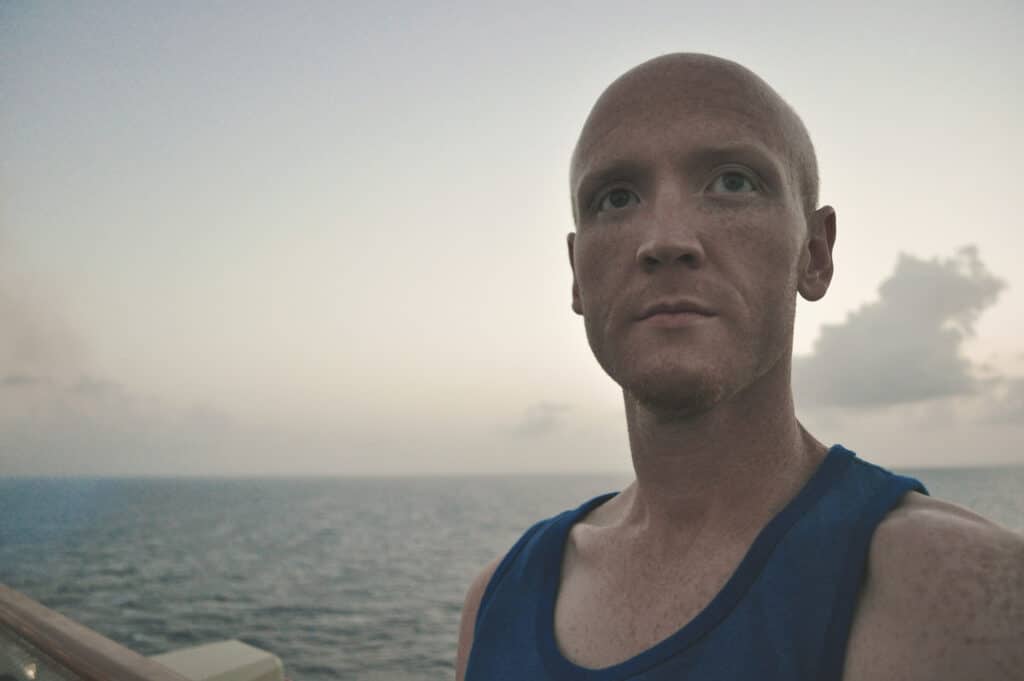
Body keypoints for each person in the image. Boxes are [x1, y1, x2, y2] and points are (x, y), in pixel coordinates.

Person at [454, 53, 1024, 680]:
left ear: (815, 253)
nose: (665, 239)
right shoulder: (496, 604)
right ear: (576, 276)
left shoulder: (967, 596)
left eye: (732, 182)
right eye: (616, 198)